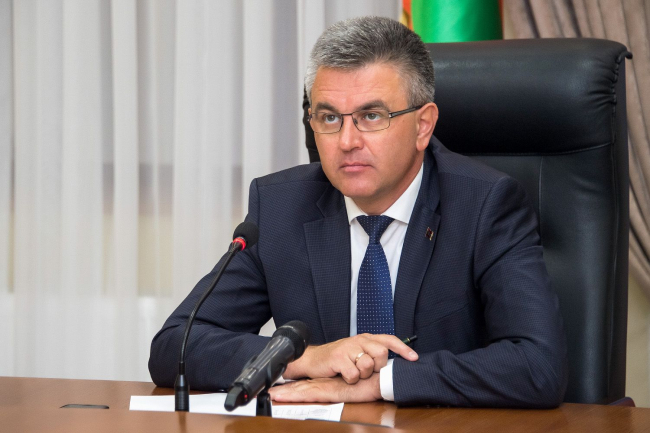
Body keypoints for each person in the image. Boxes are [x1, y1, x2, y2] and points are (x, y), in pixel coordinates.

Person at [149, 16, 568, 408]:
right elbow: (174, 346)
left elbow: (538, 364)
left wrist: (381, 383)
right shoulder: (280, 207)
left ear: (423, 125)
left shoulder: (485, 205)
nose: (347, 141)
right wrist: (304, 358)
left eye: (371, 115)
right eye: (329, 117)